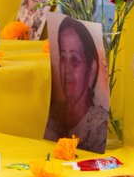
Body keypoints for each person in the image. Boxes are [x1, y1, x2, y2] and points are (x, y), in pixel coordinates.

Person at [44, 15, 107, 153]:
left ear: (92, 70)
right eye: (63, 57)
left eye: (74, 60)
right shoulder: (54, 117)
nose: (66, 69)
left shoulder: (99, 127)